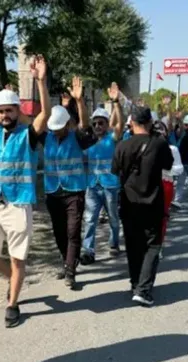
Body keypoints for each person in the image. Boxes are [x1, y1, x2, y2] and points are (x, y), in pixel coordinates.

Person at [0, 55, 50, 328]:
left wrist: (41, 82)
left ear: (18, 111)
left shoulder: (27, 134)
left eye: (10, 110)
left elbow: (45, 115)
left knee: (18, 258)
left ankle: (12, 303)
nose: (5, 115)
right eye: (1, 111)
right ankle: (15, 279)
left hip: (19, 203)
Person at [39, 76, 97, 288]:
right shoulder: (46, 138)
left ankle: (71, 271)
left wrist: (79, 101)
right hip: (53, 192)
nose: (56, 130)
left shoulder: (77, 137)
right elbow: (31, 123)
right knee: (59, 232)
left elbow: (85, 124)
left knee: (73, 231)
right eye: (52, 127)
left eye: (59, 127)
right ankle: (67, 261)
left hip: (74, 191)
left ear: (66, 124)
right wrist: (41, 83)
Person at [112, 106, 173, 306]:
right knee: (153, 246)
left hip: (128, 203)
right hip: (152, 202)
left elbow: (115, 171)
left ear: (132, 123)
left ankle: (135, 283)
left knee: (133, 246)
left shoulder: (122, 145)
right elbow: (168, 164)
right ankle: (144, 290)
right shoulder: (159, 144)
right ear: (149, 122)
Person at [81, 82, 125, 264]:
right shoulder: (89, 142)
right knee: (90, 220)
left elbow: (120, 124)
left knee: (114, 219)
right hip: (92, 186)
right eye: (95, 123)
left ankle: (114, 243)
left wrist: (116, 103)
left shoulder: (112, 138)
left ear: (107, 124)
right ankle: (88, 250)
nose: (98, 126)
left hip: (110, 186)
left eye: (101, 123)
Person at [152, 122, 183, 259]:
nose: (159, 135)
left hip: (166, 184)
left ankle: (158, 245)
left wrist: (165, 168)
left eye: (161, 132)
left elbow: (179, 168)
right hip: (148, 184)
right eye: (156, 132)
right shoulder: (146, 147)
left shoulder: (172, 149)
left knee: (162, 217)